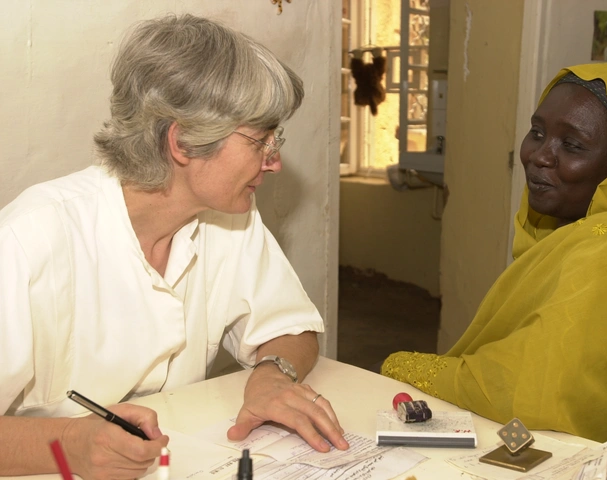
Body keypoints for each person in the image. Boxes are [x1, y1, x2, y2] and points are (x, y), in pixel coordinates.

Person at [0, 14, 348, 479]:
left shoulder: (231, 218)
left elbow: (293, 328)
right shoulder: (32, 237)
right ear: (182, 141)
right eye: (260, 141)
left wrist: (271, 375)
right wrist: (67, 443)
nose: (275, 162)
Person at [382, 62, 607, 471]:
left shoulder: (603, 253)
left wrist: (401, 365)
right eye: (537, 133)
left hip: (580, 455)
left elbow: (530, 394)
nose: (539, 157)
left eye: (572, 145)